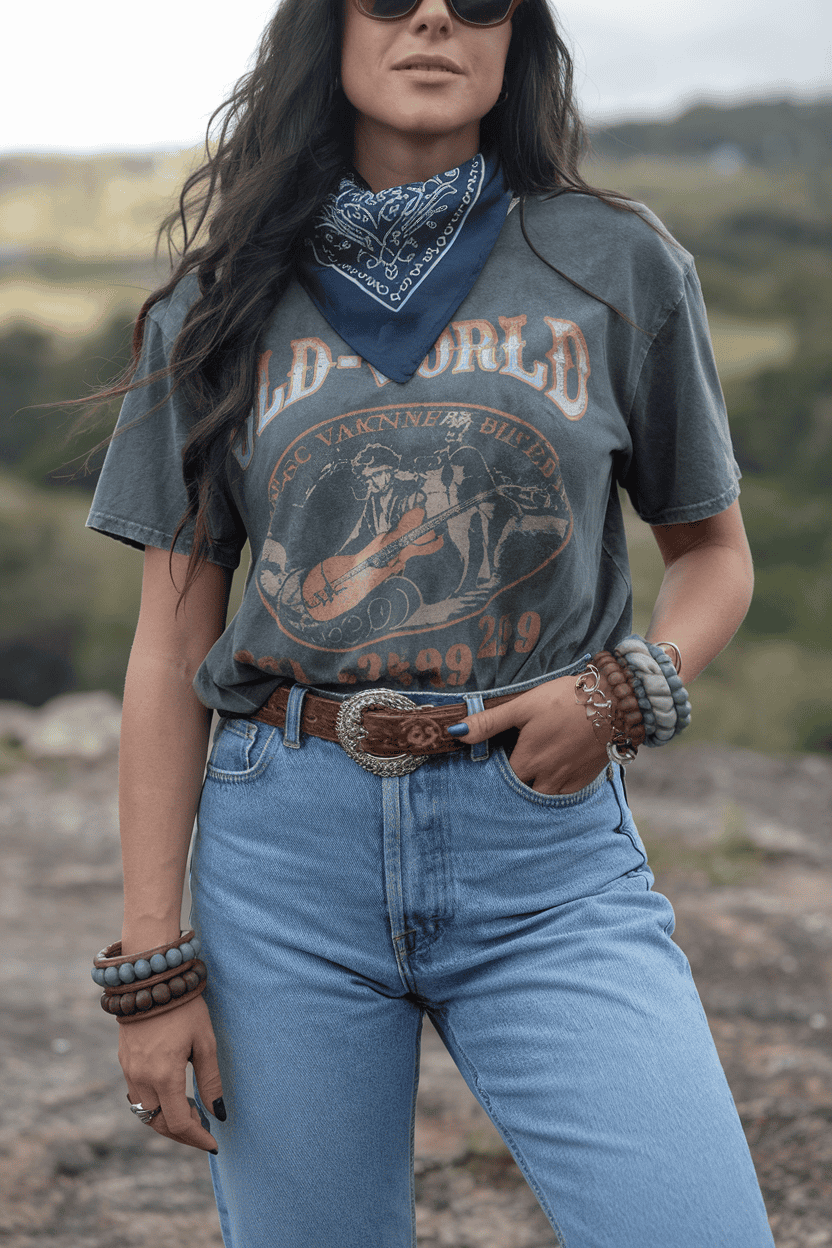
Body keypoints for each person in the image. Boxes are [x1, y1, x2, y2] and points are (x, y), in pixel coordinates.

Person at [85, 0, 777, 1243]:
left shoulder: (615, 260)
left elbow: (713, 556)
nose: (433, 21)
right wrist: (152, 964)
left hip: (544, 851)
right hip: (282, 862)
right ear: (326, 30)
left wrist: (631, 687)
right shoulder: (219, 299)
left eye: (479, 1)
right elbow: (168, 647)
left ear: (516, 39)